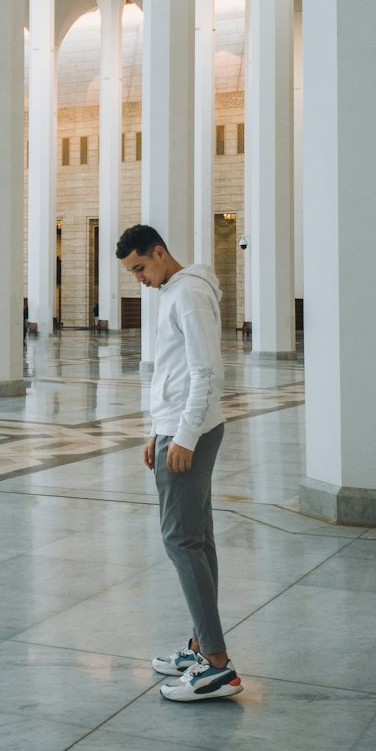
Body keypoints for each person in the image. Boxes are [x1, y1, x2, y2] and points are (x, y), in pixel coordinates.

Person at [116, 223, 242, 702]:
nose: (139, 280)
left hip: (191, 431)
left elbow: (206, 370)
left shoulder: (187, 294)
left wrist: (183, 435)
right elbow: (172, 370)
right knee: (197, 539)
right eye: (132, 273)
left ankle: (216, 666)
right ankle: (199, 646)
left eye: (141, 268)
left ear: (161, 253)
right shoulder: (175, 291)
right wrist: (158, 429)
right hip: (176, 428)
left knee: (180, 540)